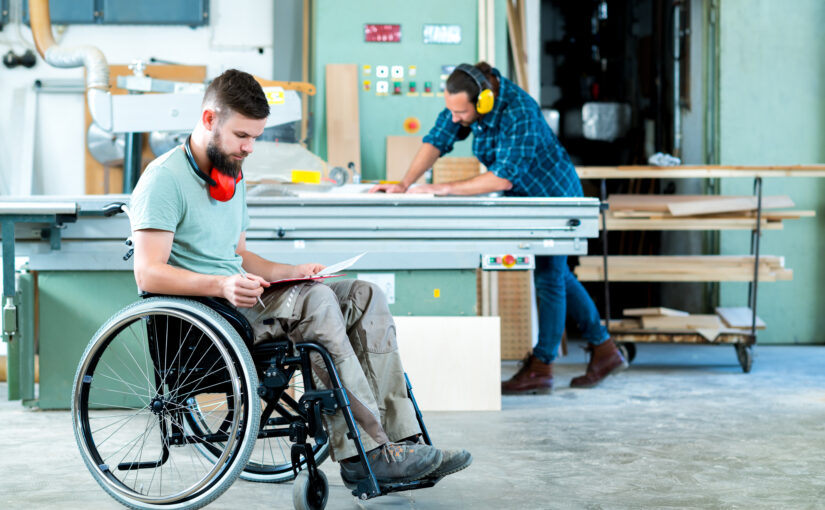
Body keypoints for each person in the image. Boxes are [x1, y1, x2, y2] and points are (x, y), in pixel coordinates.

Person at [129, 69, 470, 486]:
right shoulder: (164, 179)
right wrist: (220, 285)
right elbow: (148, 273)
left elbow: (238, 256)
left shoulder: (230, 174)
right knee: (316, 302)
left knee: (364, 295)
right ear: (207, 120)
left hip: (243, 298)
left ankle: (402, 440)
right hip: (206, 315)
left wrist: (294, 273)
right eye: (241, 136)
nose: (249, 148)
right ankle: (365, 454)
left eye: (255, 137)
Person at [371, 62, 627, 393]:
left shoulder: (520, 111)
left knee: (550, 275)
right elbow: (438, 138)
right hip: (526, 198)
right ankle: (605, 350)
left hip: (554, 197)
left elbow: (503, 177)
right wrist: (403, 184)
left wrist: (444, 188)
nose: (455, 117)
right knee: (559, 275)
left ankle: (542, 367)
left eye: (461, 111)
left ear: (484, 101)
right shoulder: (465, 105)